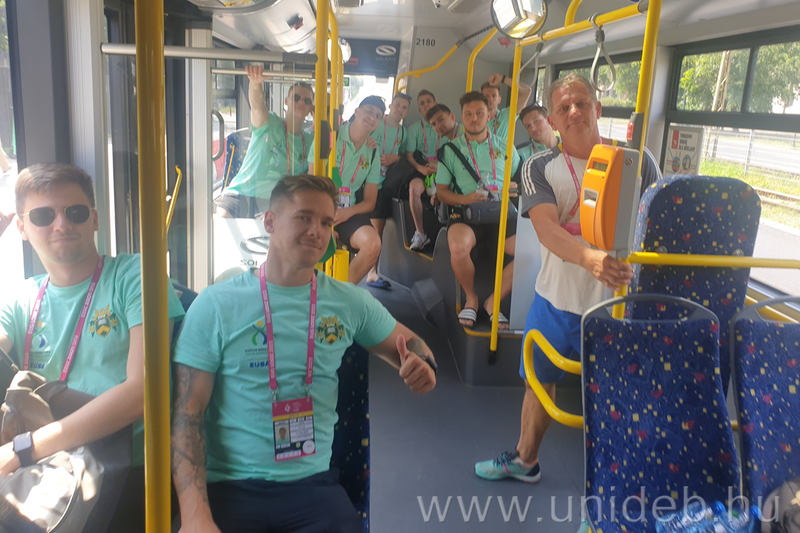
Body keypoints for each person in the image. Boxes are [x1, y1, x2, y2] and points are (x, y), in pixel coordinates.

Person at [171, 174, 437, 533]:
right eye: (304, 218)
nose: (317, 231)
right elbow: (187, 415)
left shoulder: (349, 302)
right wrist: (194, 516)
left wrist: (422, 364)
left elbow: (413, 345)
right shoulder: (216, 305)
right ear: (269, 221)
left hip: (313, 486)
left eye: (326, 223)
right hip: (232, 486)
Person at [474, 74, 661, 483]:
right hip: (555, 300)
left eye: (582, 103)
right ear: (553, 121)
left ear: (598, 109)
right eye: (563, 107)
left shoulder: (637, 160)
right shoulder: (539, 167)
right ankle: (526, 460)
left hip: (616, 307)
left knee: (617, 395)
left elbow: (655, 221)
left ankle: (616, 486)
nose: (574, 112)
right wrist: (591, 259)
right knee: (538, 383)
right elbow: (546, 228)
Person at [0, 163, 186, 531]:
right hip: (46, 464)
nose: (61, 224)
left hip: (124, 469)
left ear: (95, 220)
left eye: (75, 212)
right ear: (20, 227)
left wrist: (23, 448)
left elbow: (143, 393)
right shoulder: (21, 299)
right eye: (43, 216)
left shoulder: (135, 275)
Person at [435, 91, 520, 330]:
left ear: (489, 116)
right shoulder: (450, 150)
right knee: (458, 247)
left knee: (528, 251)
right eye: (468, 114)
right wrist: (465, 198)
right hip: (467, 213)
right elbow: (441, 192)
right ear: (461, 117)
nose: (474, 119)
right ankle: (471, 298)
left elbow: (515, 180)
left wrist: (512, 189)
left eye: (479, 113)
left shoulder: (507, 147)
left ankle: (494, 301)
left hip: (501, 213)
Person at [216, 64, 315, 218]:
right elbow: (257, 108)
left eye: (306, 100)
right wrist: (256, 83)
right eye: (296, 98)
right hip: (240, 193)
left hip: (275, 202)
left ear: (311, 109)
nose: (301, 102)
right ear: (286, 101)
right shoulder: (270, 123)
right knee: (220, 225)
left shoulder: (310, 141)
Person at [308, 96, 385, 285]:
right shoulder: (329, 137)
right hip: (318, 209)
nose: (372, 117)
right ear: (356, 111)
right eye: (369, 111)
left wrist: (345, 214)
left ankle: (339, 291)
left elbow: (370, 202)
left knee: (373, 245)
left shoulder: (373, 151)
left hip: (348, 212)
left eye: (378, 116)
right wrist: (327, 223)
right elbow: (311, 185)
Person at [365, 93, 412, 289]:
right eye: (397, 105)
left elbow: (407, 156)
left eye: (404, 107)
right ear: (391, 105)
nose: (400, 109)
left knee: (377, 230)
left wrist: (396, 158)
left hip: (383, 185)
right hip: (363, 182)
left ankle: (372, 272)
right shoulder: (376, 123)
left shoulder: (404, 133)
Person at [403, 90, 439, 251]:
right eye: (422, 103)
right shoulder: (414, 129)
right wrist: (422, 169)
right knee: (414, 188)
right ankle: (420, 233)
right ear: (419, 109)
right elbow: (409, 156)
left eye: (429, 101)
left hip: (443, 169)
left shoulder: (446, 125)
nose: (426, 105)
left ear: (435, 104)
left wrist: (440, 166)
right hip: (423, 169)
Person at [481, 73, 532, 141]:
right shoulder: (475, 119)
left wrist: (502, 78)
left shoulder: (506, 116)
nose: (490, 99)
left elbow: (526, 91)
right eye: (487, 96)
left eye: (494, 96)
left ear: (499, 100)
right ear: (480, 99)